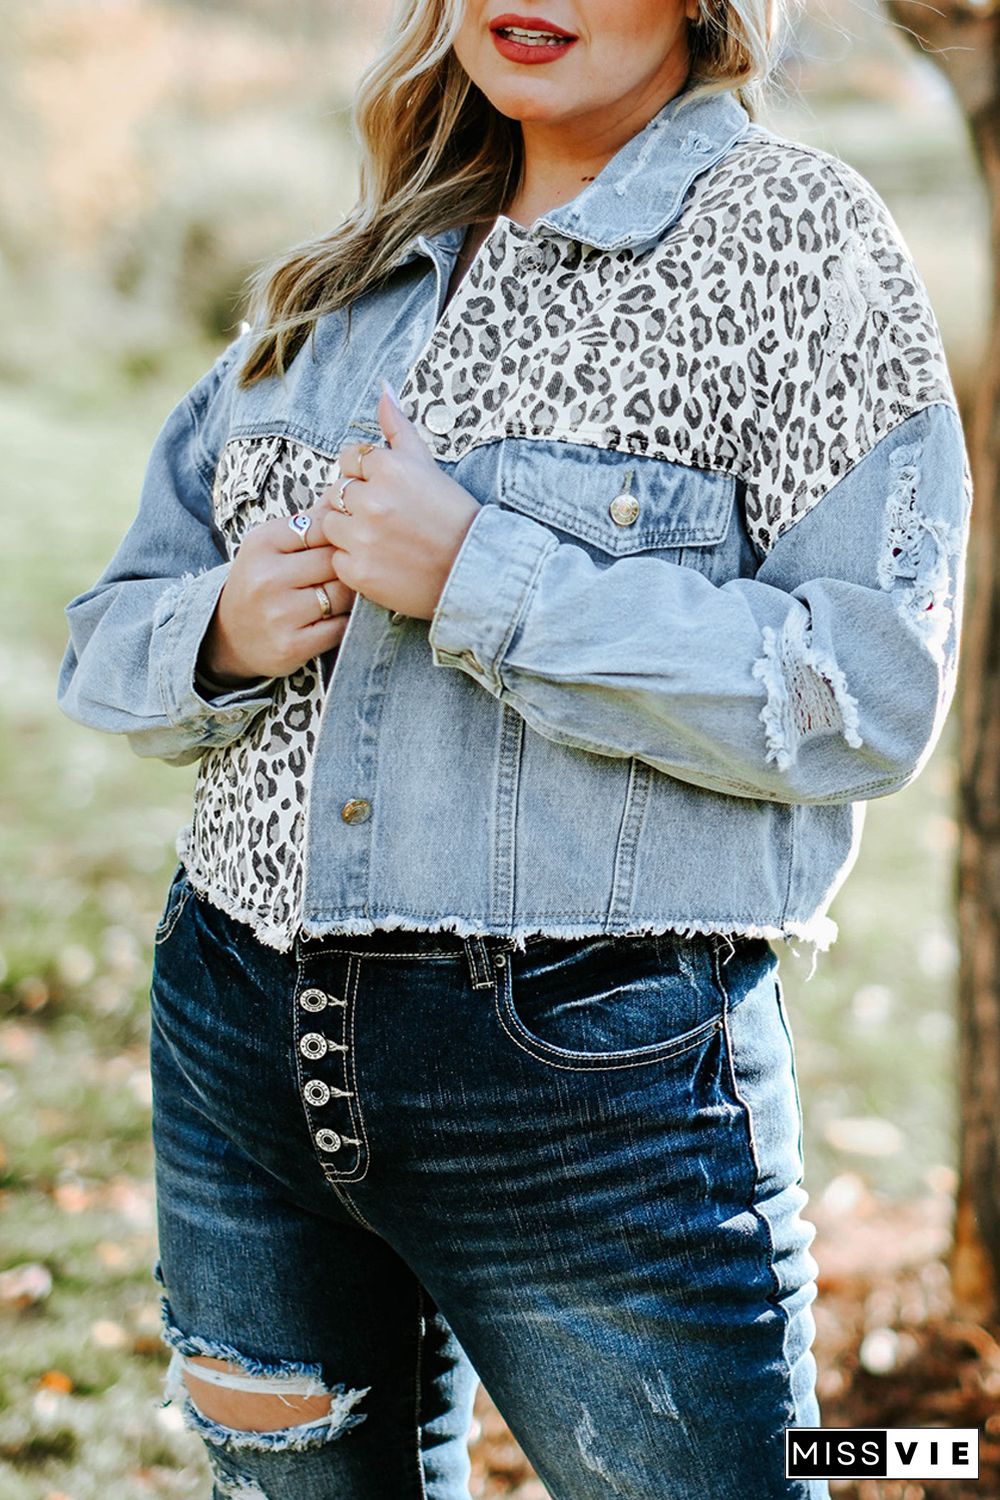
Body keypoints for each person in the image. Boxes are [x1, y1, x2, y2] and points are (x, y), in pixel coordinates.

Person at [57, 0, 973, 1495]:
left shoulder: (802, 244)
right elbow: (107, 636)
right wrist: (219, 628)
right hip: (236, 1052)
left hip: (592, 1090)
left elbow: (866, 692)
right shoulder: (351, 265)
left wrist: (485, 574)